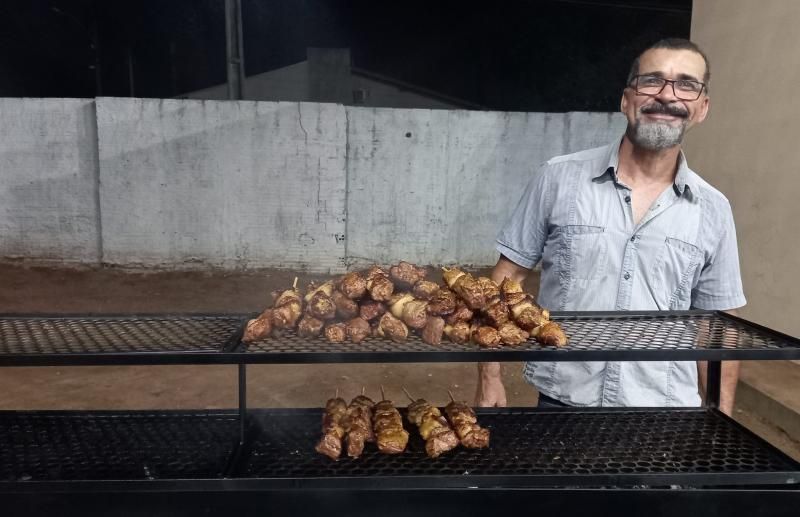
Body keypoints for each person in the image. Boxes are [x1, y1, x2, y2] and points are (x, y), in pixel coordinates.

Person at [476, 38, 745, 416]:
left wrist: (721, 420)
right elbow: (506, 279)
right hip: (561, 405)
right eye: (651, 81)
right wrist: (489, 377)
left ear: (701, 109)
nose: (667, 96)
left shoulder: (714, 209)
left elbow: (717, 328)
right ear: (626, 100)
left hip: (664, 413)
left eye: (686, 84)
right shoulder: (559, 178)